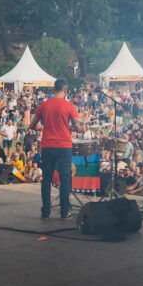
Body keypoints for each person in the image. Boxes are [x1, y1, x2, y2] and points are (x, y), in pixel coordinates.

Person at [28, 79, 85, 220]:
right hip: (64, 146)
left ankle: (45, 211)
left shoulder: (44, 105)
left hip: (47, 146)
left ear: (54, 90)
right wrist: (82, 127)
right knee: (65, 179)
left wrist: (43, 127)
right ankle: (65, 212)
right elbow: (78, 128)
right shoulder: (69, 106)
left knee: (46, 179)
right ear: (65, 90)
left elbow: (32, 125)